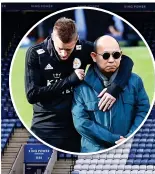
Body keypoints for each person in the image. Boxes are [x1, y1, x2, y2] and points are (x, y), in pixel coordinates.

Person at [24, 17, 134, 152]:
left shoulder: (83, 48)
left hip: (76, 128)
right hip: (46, 127)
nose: (64, 54)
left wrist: (114, 89)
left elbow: (125, 61)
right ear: (53, 37)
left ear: (76, 41)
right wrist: (69, 80)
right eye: (60, 49)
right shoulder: (36, 53)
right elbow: (32, 95)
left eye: (68, 49)